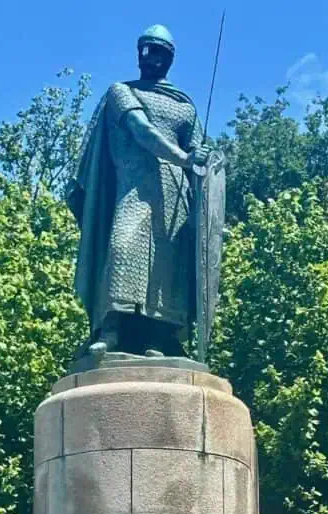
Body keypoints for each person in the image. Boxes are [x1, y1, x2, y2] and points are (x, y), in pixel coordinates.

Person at [67, 24, 210, 359]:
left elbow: (199, 151)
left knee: (167, 267)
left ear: (169, 58)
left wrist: (201, 157)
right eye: (144, 50)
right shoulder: (121, 92)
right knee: (122, 247)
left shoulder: (185, 107)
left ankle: (159, 338)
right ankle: (110, 330)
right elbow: (142, 131)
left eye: (156, 51)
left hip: (174, 195)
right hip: (133, 190)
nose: (148, 57)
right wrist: (184, 158)